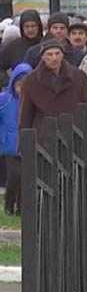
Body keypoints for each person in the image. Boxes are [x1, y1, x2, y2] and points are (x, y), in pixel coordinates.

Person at [20, 39, 87, 132]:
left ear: (62, 55)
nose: (54, 58)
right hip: (44, 134)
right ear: (42, 57)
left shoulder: (79, 76)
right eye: (49, 54)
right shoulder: (31, 80)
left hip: (73, 131)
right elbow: (26, 114)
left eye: (57, 53)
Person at [0, 63, 32, 215]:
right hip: (10, 145)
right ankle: (8, 204)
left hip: (27, 144)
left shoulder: (33, 101)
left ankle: (21, 207)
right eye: (19, 84)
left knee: (26, 179)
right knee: (14, 176)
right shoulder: (4, 99)